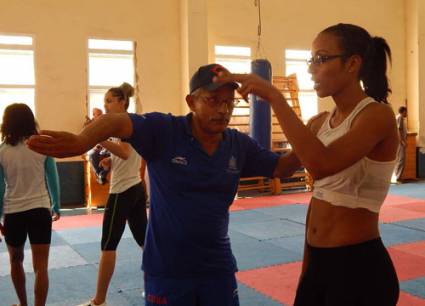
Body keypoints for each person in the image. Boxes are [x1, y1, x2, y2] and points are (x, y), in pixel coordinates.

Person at [27, 64, 297, 306]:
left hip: (217, 268)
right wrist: (81, 141)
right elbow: (119, 121)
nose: (223, 110)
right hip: (168, 270)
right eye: (213, 100)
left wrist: (287, 110)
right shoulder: (165, 130)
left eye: (229, 103)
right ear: (191, 101)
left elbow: (282, 168)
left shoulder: (238, 144)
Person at [215, 23, 400, 305]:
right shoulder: (320, 123)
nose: (311, 69)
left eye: (321, 59)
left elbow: (320, 164)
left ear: (352, 63)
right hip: (318, 264)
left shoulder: (377, 116)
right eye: (310, 60)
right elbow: (282, 169)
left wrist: (274, 96)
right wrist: (217, 139)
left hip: (359, 268)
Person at [79, 83, 148, 306]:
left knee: (108, 245)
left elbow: (126, 152)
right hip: (136, 187)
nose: (105, 105)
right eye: (105, 100)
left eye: (109, 100)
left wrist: (97, 137)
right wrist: (111, 159)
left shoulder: (125, 124)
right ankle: (156, 285)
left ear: (122, 102)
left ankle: (99, 301)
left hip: (123, 192)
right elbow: (128, 154)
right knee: (145, 242)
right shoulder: (127, 124)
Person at [0, 103, 60, 306]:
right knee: (40, 267)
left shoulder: (2, 151)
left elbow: (0, 188)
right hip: (40, 209)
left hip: (13, 212)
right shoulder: (41, 145)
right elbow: (53, 177)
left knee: (15, 261)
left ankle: (23, 304)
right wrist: (57, 205)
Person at [85, 108, 110, 185]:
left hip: (105, 148)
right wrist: (94, 146)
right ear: (93, 115)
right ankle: (100, 174)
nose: (101, 116)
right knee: (92, 153)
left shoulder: (106, 125)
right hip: (94, 148)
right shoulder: (88, 125)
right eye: (99, 114)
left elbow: (110, 138)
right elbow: (85, 140)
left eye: (101, 114)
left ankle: (103, 174)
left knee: (114, 155)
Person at [394, 106, 408, 182]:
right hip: (400, 142)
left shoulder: (400, 118)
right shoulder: (400, 118)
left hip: (400, 141)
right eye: (406, 112)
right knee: (401, 159)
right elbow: (399, 130)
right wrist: (402, 141)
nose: (407, 113)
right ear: (403, 111)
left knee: (400, 159)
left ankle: (398, 176)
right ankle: (398, 177)